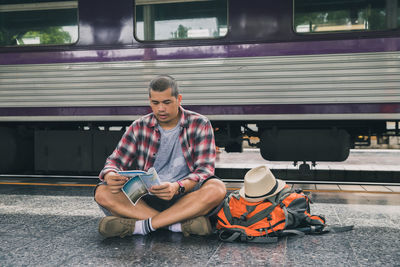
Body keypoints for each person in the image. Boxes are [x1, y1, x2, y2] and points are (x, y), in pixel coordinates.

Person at [95, 75, 227, 238]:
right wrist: (110, 175)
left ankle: (140, 226)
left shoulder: (200, 123)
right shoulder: (139, 126)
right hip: (147, 198)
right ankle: (176, 226)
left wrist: (177, 187)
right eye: (155, 103)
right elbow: (114, 161)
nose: (160, 109)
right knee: (102, 192)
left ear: (178, 99)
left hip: (184, 196)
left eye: (166, 102)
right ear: (149, 101)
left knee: (217, 188)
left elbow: (204, 170)